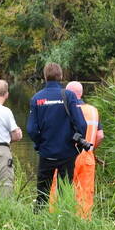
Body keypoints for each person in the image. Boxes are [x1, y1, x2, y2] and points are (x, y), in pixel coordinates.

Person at [27, 63, 87, 208]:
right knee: (64, 192)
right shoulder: (69, 95)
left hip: (46, 153)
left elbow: (31, 129)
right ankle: (63, 221)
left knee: (42, 193)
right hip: (67, 153)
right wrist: (77, 143)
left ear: (45, 77)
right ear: (61, 76)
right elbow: (81, 124)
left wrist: (40, 144)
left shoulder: (37, 98)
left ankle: (39, 220)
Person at [61, 81, 103, 218]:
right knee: (85, 192)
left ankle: (60, 218)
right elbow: (100, 135)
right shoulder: (93, 110)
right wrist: (91, 149)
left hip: (66, 155)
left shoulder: (63, 110)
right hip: (87, 155)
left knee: (62, 189)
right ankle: (83, 222)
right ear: (81, 93)